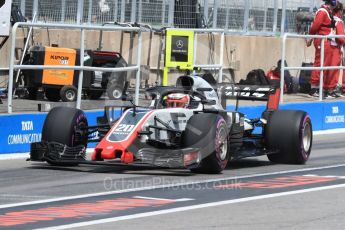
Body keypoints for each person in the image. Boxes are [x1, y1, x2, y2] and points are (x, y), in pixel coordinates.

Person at [308, 0, 338, 98]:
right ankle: (313, 88)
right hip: (322, 40)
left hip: (326, 40)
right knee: (319, 63)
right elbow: (315, 26)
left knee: (324, 64)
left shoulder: (328, 11)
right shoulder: (322, 11)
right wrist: (310, 37)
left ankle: (319, 87)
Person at [329, 1, 345, 97]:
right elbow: (340, 37)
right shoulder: (338, 21)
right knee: (334, 69)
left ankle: (331, 88)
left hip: (333, 46)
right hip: (335, 47)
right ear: (339, 11)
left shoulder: (332, 19)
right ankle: (331, 89)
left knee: (333, 68)